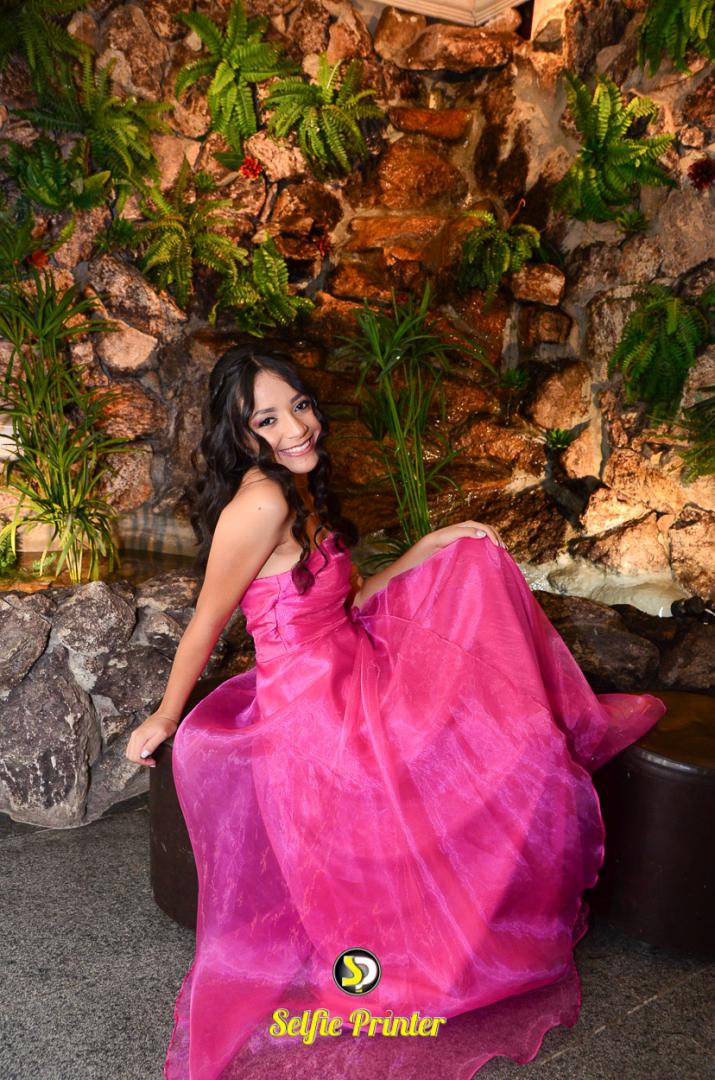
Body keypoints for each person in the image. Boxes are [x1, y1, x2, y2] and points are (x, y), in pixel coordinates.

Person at [126, 345, 667, 1080]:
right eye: (268, 419)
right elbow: (206, 620)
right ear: (240, 434)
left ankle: (455, 925)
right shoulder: (261, 503)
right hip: (313, 707)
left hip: (355, 664)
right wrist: (165, 715)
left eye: (299, 406)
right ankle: (398, 960)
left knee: (492, 681)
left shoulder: (296, 487)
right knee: (474, 753)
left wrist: (432, 546)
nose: (296, 427)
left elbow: (346, 596)